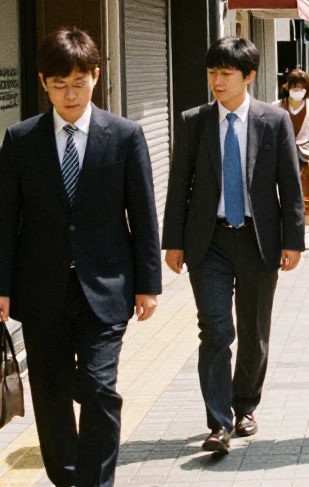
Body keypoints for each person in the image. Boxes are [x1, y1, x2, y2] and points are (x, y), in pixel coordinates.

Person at [0, 28, 162, 487]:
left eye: (78, 82)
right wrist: (3, 286)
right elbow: (5, 219)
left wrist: (148, 284)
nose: (69, 94)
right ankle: (67, 478)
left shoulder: (125, 136)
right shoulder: (21, 140)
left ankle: (96, 481)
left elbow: (143, 214)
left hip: (107, 287)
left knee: (97, 387)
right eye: (58, 84)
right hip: (41, 288)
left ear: (96, 76)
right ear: (43, 83)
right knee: (50, 395)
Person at [162, 37, 305, 454]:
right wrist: (173, 242)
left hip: (259, 240)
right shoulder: (194, 121)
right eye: (212, 73)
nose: (217, 82)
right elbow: (178, 187)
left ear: (249, 76)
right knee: (215, 330)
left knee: (254, 330)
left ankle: (245, 406)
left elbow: (289, 186)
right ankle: (219, 423)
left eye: (226, 74)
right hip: (209, 243)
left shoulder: (272, 122)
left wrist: (293, 241)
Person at [275, 69, 309, 227]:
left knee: (308, 198)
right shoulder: (277, 106)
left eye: (302, 87)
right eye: (294, 87)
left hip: (306, 158)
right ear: (287, 87)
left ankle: (306, 232)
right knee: (284, 195)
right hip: (284, 156)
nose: (298, 91)